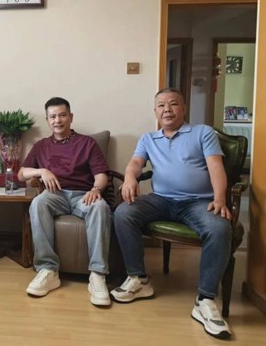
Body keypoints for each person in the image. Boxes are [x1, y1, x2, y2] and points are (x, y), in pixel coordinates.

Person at [111, 88, 232, 339]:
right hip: (161, 200)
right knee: (123, 213)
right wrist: (130, 177)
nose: (167, 109)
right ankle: (139, 279)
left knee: (220, 227)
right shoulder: (148, 138)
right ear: (155, 112)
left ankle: (205, 299)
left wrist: (220, 198)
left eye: (173, 104)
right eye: (161, 105)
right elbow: (135, 163)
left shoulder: (203, 133)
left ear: (183, 109)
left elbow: (215, 166)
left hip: (198, 202)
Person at [18, 97, 112, 306]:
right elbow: (21, 174)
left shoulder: (87, 143)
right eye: (52, 117)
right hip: (55, 195)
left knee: (100, 206)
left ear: (70, 117)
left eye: (62, 115)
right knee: (38, 203)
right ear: (47, 120)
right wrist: (42, 171)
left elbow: (101, 175)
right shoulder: (41, 146)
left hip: (83, 194)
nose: (57, 120)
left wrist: (96, 189)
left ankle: (97, 274)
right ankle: (48, 270)